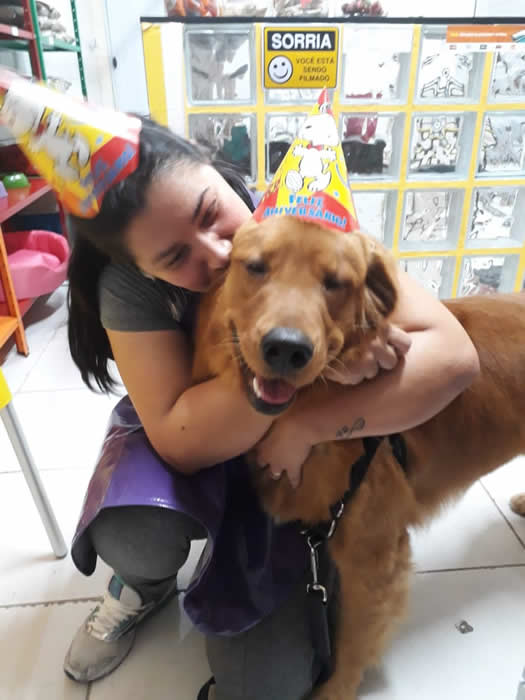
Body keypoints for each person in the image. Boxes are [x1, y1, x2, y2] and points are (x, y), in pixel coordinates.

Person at [63, 116, 479, 699]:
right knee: (134, 532)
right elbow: (180, 441)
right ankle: (142, 585)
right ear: (139, 263)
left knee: (264, 686)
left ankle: (290, 568)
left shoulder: (298, 214)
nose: (219, 253)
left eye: (211, 212)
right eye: (175, 255)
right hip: (195, 433)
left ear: (215, 168)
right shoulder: (127, 288)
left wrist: (310, 418)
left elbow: (455, 356)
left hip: (291, 463)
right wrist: (318, 371)